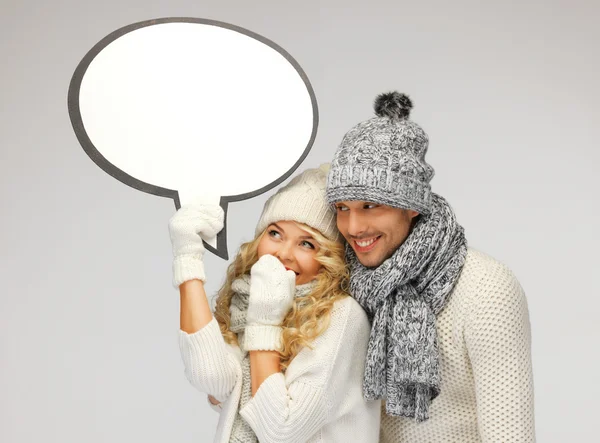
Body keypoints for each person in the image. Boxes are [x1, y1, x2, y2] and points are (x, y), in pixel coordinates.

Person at [325, 92, 535, 442]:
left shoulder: (487, 289)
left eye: (371, 205)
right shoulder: (341, 281)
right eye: (341, 207)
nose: (353, 227)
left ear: (411, 206)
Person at [168, 165, 380, 443]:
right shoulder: (249, 298)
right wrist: (188, 258)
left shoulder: (341, 317)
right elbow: (212, 378)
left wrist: (265, 319)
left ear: (330, 257)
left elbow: (281, 430)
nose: (283, 254)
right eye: (275, 234)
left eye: (307, 244)